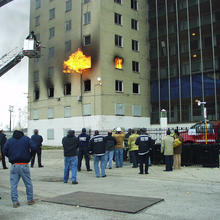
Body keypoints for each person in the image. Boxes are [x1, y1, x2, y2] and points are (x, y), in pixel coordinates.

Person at [3, 127, 37, 208]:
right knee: (28, 183)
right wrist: (31, 156)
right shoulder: (26, 139)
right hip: (24, 164)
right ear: (22, 131)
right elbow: (34, 147)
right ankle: (30, 200)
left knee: (13, 185)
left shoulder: (10, 140)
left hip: (14, 165)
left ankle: (15, 202)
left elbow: (4, 150)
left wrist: (10, 156)